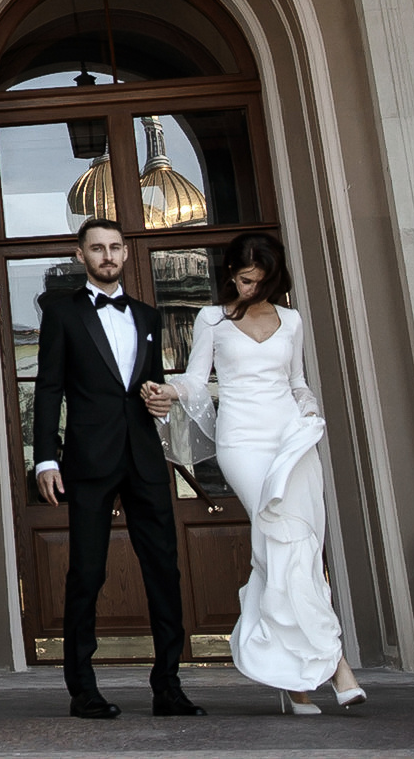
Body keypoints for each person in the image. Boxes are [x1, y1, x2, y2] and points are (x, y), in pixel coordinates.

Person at [148, 232, 367, 714]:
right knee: (285, 539)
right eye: (246, 280)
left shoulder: (291, 320)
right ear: (230, 273)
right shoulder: (212, 319)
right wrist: (167, 392)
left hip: (292, 439)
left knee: (300, 548)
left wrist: (309, 414)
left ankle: (295, 682)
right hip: (242, 443)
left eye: (263, 282)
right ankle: (335, 664)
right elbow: (194, 379)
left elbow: (297, 383)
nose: (252, 290)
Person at [31, 217, 205, 720]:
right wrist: (46, 456)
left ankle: (168, 686)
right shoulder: (62, 315)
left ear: (126, 254)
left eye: (114, 248)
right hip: (88, 460)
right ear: (80, 255)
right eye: (97, 248)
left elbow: (152, 389)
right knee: (87, 571)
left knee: (164, 571)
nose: (107, 256)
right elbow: (48, 389)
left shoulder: (148, 317)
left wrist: (159, 402)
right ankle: (83, 689)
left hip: (145, 459)